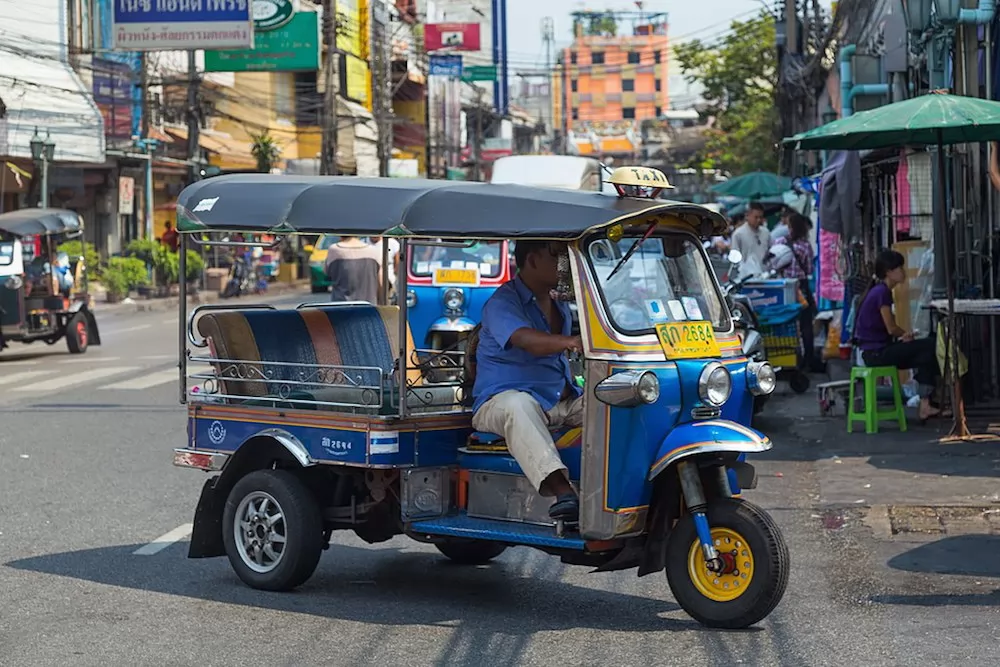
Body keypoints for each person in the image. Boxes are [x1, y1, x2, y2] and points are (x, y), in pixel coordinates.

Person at [472, 240, 584, 522]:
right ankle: (562, 492)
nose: (563, 265)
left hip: (559, 399)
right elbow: (526, 340)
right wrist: (570, 342)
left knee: (615, 400)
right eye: (556, 256)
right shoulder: (502, 302)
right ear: (532, 260)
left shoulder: (558, 305)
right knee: (518, 405)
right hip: (499, 402)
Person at [853, 249, 944, 421]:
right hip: (877, 353)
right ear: (889, 272)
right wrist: (906, 334)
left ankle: (926, 404)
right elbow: (891, 328)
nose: (903, 271)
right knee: (930, 345)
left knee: (924, 354)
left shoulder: (879, 291)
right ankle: (928, 402)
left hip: (876, 350)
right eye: (899, 268)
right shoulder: (882, 293)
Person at [773, 213, 821, 370]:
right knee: (806, 325)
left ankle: (787, 357)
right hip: (801, 289)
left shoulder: (780, 242)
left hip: (783, 288)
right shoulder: (806, 246)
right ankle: (808, 359)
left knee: (786, 323)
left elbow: (773, 264)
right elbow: (808, 269)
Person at [324, 236, 383, 303]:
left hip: (341, 306)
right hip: (368, 306)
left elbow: (326, 272)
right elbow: (380, 282)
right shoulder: (373, 251)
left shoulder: (334, 250)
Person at [730, 201, 771, 269]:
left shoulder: (766, 232)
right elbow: (735, 258)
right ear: (747, 216)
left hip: (764, 273)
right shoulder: (738, 234)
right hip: (746, 275)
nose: (759, 220)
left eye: (761, 217)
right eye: (756, 217)